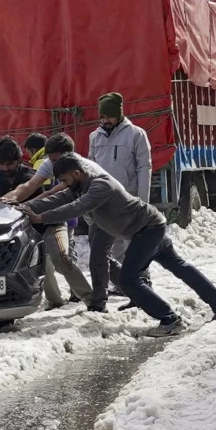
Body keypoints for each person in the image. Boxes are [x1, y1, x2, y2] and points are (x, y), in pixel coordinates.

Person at [18, 154, 216, 337]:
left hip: (147, 229)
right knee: (178, 266)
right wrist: (21, 206)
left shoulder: (99, 185)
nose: (63, 185)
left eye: (65, 180)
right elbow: (56, 200)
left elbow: (77, 208)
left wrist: (41, 218)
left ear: (76, 173)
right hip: (148, 228)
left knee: (129, 280)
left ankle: (170, 319)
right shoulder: (78, 187)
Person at [0, 138, 91, 309]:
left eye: (9, 164)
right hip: (27, 230)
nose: (5, 168)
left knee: (62, 258)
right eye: (1, 164)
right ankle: (55, 302)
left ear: (19, 160)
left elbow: (23, 189)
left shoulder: (28, 173)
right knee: (42, 267)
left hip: (50, 223)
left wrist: (0, 200)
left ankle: (90, 297)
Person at [89, 93, 154, 308]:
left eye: (109, 116)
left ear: (119, 114)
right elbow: (90, 168)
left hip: (130, 201)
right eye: (102, 117)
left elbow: (144, 167)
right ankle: (126, 288)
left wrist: (142, 200)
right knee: (114, 247)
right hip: (105, 203)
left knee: (135, 245)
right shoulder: (94, 138)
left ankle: (143, 285)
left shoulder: (136, 135)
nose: (105, 120)